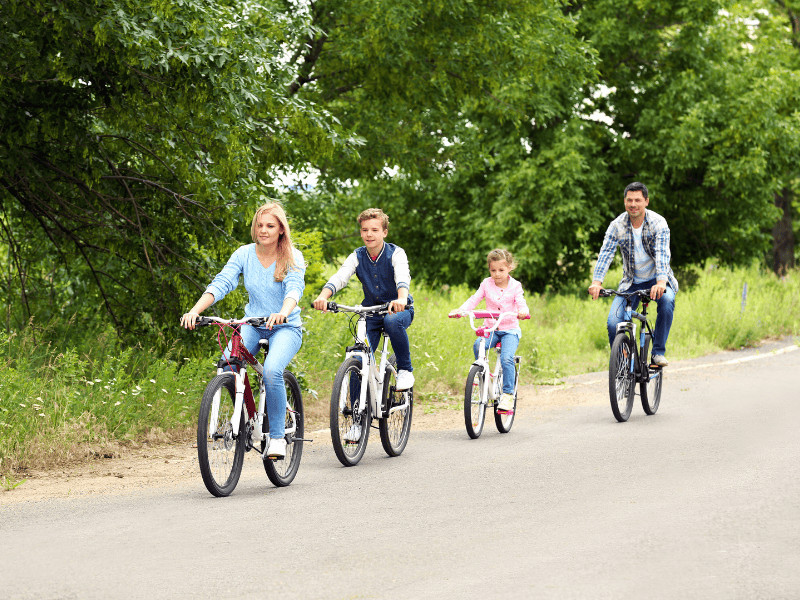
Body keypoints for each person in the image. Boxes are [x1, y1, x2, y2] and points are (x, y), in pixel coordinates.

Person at [180, 202, 305, 460]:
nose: (263, 230)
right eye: (259, 225)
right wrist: (195, 311)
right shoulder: (244, 254)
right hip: (253, 323)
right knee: (228, 364)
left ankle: (278, 437)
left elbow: (294, 289)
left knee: (271, 371)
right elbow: (223, 282)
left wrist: (283, 310)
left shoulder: (292, 255)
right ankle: (242, 418)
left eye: (270, 226)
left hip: (285, 327)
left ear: (281, 229)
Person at [313, 207, 415, 396]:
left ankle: (404, 370)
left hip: (399, 309)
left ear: (384, 232)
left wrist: (401, 298)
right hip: (371, 312)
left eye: (374, 230)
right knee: (358, 357)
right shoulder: (357, 256)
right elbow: (340, 277)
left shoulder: (396, 253)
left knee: (391, 322)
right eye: (365, 230)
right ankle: (355, 420)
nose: (369, 234)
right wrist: (323, 297)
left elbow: (402, 276)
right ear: (360, 232)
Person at [588, 182, 678, 367]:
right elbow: (606, 254)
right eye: (629, 200)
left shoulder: (658, 223)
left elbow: (662, 254)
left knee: (667, 301)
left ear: (646, 201)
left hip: (657, 279)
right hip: (631, 282)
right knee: (614, 323)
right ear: (624, 202)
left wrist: (661, 282)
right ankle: (623, 363)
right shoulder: (617, 225)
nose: (633, 204)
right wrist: (597, 282)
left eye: (638, 200)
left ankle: (657, 352)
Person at [448, 249, 530, 412]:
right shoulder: (486, 284)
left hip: (509, 330)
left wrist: (523, 312)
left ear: (509, 268)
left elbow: (521, 302)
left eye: (501, 270)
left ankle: (507, 395)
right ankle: (482, 374)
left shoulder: (515, 286)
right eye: (493, 270)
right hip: (491, 328)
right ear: (489, 269)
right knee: (478, 345)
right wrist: (461, 310)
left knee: (507, 359)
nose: (497, 274)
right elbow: (475, 299)